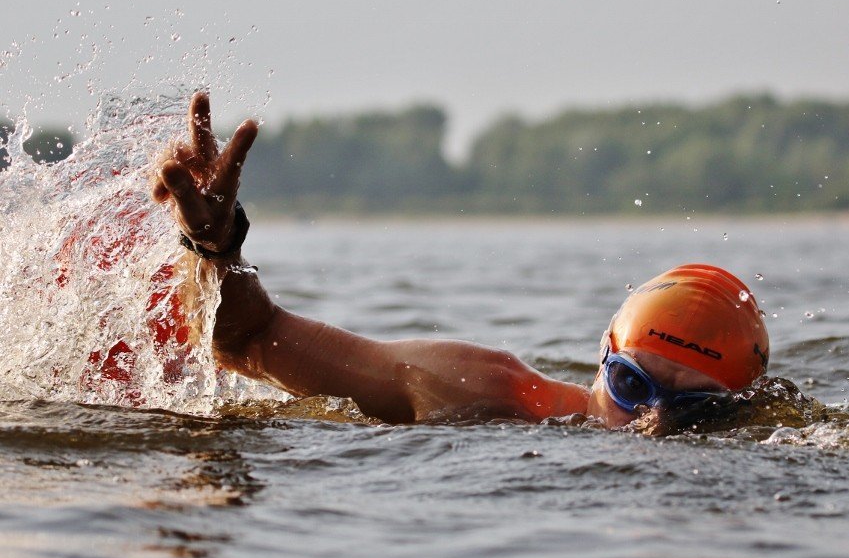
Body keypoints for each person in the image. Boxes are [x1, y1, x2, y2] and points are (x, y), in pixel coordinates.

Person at [153, 92, 770, 428]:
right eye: (632, 387)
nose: (653, 425)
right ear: (604, 356)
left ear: (748, 408)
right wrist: (216, 248)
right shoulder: (485, 390)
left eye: (698, 410)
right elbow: (253, 341)